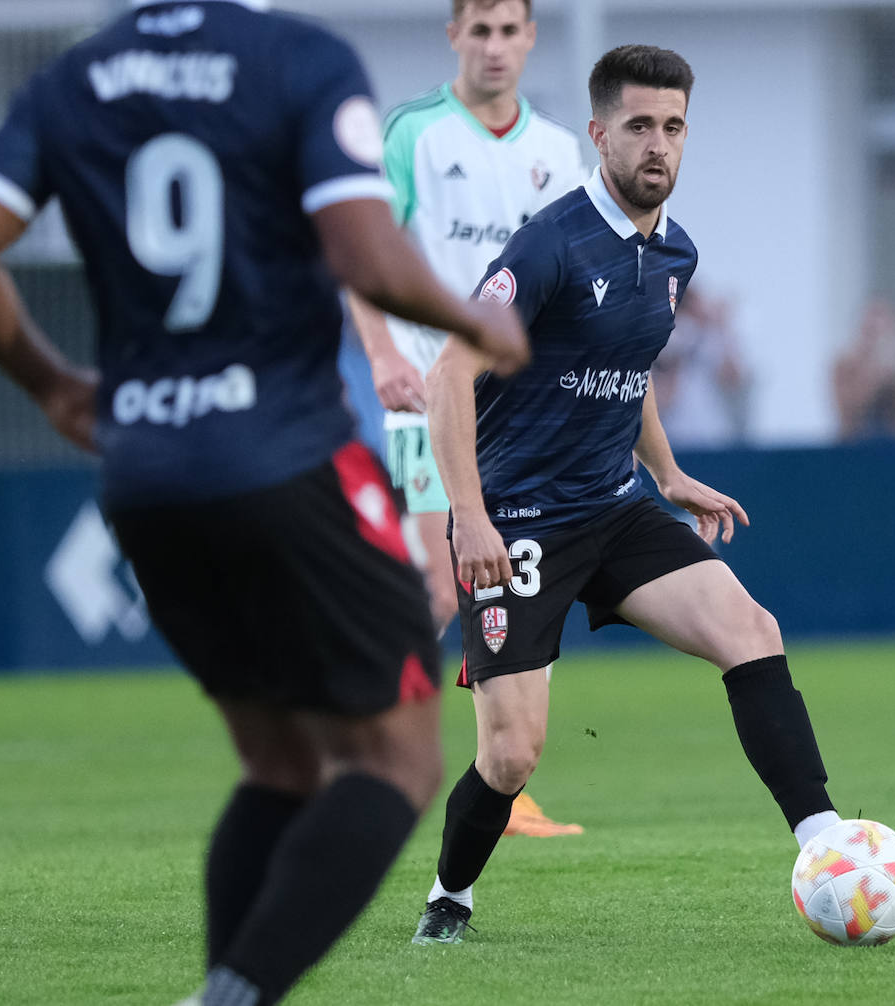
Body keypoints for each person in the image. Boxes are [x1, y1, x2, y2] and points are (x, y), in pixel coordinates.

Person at [0, 2, 528, 1004]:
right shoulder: (295, 58)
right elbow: (368, 258)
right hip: (285, 457)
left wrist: (53, 384)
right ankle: (230, 994)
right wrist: (480, 324)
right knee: (400, 754)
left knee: (279, 763)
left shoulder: (78, 76)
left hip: (145, 473)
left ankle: (230, 984)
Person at [409, 43, 895, 946]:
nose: (658, 145)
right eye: (639, 127)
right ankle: (449, 899)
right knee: (510, 754)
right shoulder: (549, 243)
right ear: (598, 133)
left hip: (611, 505)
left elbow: (629, 367)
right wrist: (469, 517)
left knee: (752, 630)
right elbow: (446, 379)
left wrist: (665, 473)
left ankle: (827, 848)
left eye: (673, 127)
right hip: (518, 524)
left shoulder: (674, 253)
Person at [345, 0, 586, 839]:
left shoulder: (558, 153)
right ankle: (370, 750)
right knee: (446, 578)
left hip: (529, 414)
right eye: (477, 30)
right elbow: (363, 256)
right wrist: (381, 355)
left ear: (528, 39)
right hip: (433, 394)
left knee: (513, 580)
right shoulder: (414, 134)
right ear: (454, 37)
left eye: (507, 30)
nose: (492, 46)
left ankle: (502, 778)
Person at [652, 286, 749, 448]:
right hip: (673, 442)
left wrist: (721, 326)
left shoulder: (711, 337)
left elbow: (734, 380)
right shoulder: (660, 341)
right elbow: (662, 401)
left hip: (714, 438)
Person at [832, 296, 895, 440]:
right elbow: (847, 416)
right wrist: (875, 373)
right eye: (871, 327)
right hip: (854, 444)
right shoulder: (846, 363)